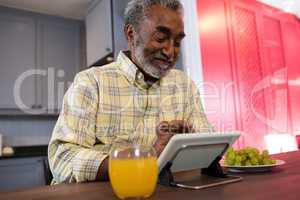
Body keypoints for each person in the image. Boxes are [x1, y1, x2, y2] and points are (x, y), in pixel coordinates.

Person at [48, 0, 212, 184]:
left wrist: (189, 144)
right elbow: (62, 158)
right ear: (131, 34)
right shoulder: (90, 82)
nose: (170, 51)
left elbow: (208, 142)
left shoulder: (185, 85)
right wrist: (143, 161)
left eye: (177, 42)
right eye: (160, 38)